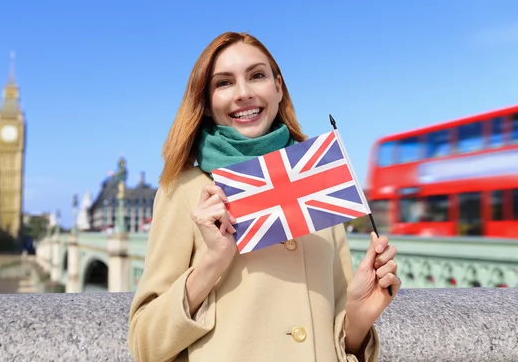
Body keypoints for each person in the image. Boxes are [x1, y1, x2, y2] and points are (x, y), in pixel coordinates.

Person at [128, 32, 401, 362]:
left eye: (257, 75)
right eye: (224, 83)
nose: (244, 93)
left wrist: (359, 313)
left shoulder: (318, 182)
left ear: (278, 87)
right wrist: (212, 263)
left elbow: (340, 341)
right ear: (207, 102)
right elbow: (144, 345)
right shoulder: (184, 191)